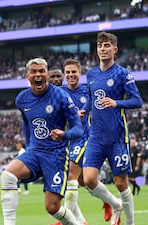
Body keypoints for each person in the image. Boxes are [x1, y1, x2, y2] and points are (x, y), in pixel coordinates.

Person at [0, 57, 83, 225]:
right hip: (35, 152)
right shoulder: (22, 99)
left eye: (41, 71)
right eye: (34, 72)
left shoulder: (60, 96)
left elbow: (78, 129)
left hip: (56, 155)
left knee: (52, 207)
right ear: (27, 76)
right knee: (8, 176)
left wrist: (64, 134)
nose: (38, 75)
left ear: (47, 74)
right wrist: (29, 145)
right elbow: (26, 121)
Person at [79, 31, 143, 225]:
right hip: (96, 136)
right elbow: (92, 98)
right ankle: (114, 204)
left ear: (115, 49)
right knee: (88, 180)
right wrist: (83, 110)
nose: (103, 49)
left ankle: (130, 223)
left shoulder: (123, 73)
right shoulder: (91, 74)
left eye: (107, 45)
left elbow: (137, 101)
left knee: (121, 183)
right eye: (100, 45)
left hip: (117, 137)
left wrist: (117, 103)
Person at [50, 58, 90, 225]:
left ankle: (65, 220)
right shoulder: (61, 93)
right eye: (68, 72)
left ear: (80, 73)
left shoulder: (88, 91)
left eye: (74, 71)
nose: (71, 75)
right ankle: (81, 220)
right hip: (67, 141)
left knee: (72, 177)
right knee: (76, 182)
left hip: (83, 138)